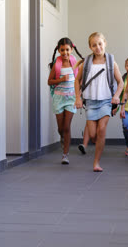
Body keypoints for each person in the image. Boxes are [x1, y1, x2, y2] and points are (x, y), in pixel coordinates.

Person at [74, 32, 124, 172]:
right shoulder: (86, 63)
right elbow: (77, 81)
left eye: (100, 44)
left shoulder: (111, 62)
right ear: (90, 47)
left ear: (105, 43)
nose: (98, 47)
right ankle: (97, 146)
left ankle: (96, 162)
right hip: (90, 102)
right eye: (94, 45)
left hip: (106, 101)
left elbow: (121, 82)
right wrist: (78, 98)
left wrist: (116, 96)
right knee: (94, 135)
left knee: (101, 130)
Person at [47, 37, 84, 165]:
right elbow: (49, 81)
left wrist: (80, 95)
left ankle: (65, 155)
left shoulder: (76, 64)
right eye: (62, 50)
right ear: (58, 50)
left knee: (67, 127)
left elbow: (79, 81)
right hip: (59, 98)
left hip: (71, 98)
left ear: (72, 49)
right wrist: (61, 80)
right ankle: (62, 137)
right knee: (61, 128)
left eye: (67, 50)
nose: (65, 53)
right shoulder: (56, 65)